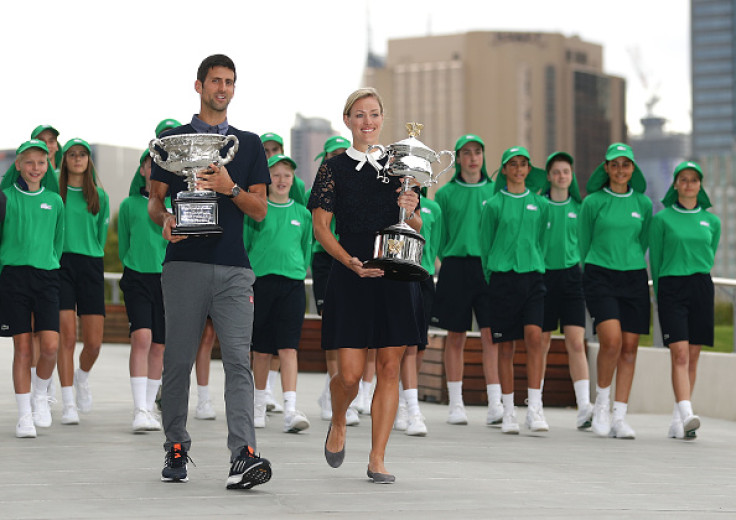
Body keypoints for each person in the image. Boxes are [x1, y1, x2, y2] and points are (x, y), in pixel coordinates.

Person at [148, 53, 272, 489]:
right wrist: (164, 219)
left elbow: (259, 211)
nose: (222, 88)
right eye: (215, 81)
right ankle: (176, 446)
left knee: (239, 361)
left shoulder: (250, 144)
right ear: (198, 85)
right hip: (184, 265)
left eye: (230, 82)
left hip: (235, 268)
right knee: (178, 360)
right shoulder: (171, 139)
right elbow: (155, 201)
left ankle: (244, 453)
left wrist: (229, 188)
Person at [308, 87, 425, 483]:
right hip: (350, 272)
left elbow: (416, 226)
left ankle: (377, 458)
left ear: (381, 118)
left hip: (394, 276)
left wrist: (411, 212)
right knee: (351, 376)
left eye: (374, 114)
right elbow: (321, 228)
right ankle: (339, 418)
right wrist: (348, 263)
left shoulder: (401, 164)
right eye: (360, 115)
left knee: (390, 368)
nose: (368, 122)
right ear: (348, 121)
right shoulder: (333, 167)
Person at [579, 143, 652, 439]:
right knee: (611, 341)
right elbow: (584, 243)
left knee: (631, 348)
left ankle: (620, 417)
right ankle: (601, 407)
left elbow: (643, 241)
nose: (621, 170)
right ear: (606, 169)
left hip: (634, 277)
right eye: (615, 164)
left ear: (633, 169)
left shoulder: (644, 204)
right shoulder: (593, 202)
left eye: (626, 164)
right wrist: (595, 271)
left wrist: (628, 262)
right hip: (600, 275)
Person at [431, 134, 500, 426]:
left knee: (491, 337)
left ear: (483, 156)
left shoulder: (497, 191)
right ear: (458, 159)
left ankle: (496, 402)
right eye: (467, 153)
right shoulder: (445, 194)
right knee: (455, 337)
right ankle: (456, 403)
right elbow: (439, 236)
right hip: (455, 267)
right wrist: (442, 262)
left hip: (488, 269)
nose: (473, 157)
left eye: (478, 152)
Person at [480, 146, 549, 434]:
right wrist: (496, 272)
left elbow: (541, 241)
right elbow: (485, 247)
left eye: (524, 164)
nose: (519, 169)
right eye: (513, 164)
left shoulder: (540, 204)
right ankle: (508, 411)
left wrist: (534, 263)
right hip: (503, 278)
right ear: (505, 170)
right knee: (505, 346)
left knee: (534, 337)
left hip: (532, 276)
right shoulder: (493, 205)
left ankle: (534, 408)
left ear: (529, 169)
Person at [649, 161, 720, 440]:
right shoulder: (662, 219)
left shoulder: (712, 221)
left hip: (701, 286)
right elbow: (656, 259)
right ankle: (688, 412)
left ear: (700, 185)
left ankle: (679, 419)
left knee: (692, 356)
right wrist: (659, 293)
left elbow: (709, 252)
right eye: (683, 179)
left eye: (694, 180)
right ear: (675, 184)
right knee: (678, 353)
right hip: (671, 287)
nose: (689, 184)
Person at [0, 140, 64, 437]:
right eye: (29, 162)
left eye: (41, 163)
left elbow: (58, 243)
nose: (36, 168)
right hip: (14, 278)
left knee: (50, 345)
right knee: (23, 348)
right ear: (18, 165)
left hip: (47, 277)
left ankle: (41, 395)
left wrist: (48, 263)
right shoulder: (5, 198)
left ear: (47, 165)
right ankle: (25, 416)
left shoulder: (55, 200)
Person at [246, 153, 312, 433]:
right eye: (276, 174)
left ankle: (290, 409)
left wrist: (296, 270)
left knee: (288, 348)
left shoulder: (303, 214)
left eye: (287, 174)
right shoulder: (257, 210)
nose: (282, 180)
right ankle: (258, 406)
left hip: (293, 285)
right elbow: (246, 246)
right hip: (261, 284)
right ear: (266, 179)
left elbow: (306, 249)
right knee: (261, 350)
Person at [56, 138, 110, 426]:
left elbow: (100, 240)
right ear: (64, 160)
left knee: (93, 344)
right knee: (66, 337)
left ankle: (81, 378)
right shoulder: (56, 192)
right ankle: (67, 403)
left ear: (89, 160)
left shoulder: (100, 196)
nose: (77, 159)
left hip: (90, 265)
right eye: (72, 154)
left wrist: (92, 256)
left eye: (82, 155)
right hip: (61, 264)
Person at [539, 152, 593, 430]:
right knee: (542, 343)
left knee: (575, 342)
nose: (562, 176)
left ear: (572, 177)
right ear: (549, 176)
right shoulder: (540, 206)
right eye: (557, 172)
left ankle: (584, 406)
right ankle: (536, 405)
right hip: (545, 278)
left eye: (566, 172)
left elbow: (584, 245)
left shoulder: (580, 208)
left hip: (572, 278)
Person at [118, 150, 168, 432]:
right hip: (137, 278)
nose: (155, 170)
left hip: (166, 280)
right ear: (142, 170)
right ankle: (139, 409)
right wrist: (134, 266)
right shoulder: (128, 205)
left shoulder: (175, 204)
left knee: (159, 345)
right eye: (151, 166)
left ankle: (150, 408)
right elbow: (125, 245)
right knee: (142, 338)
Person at [311, 135, 352, 422]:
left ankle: (344, 390)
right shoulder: (318, 187)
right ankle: (331, 388)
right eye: (332, 155)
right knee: (332, 325)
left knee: (353, 323)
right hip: (326, 258)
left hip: (351, 255)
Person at [394, 188, 441, 437]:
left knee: (416, 346)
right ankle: (403, 406)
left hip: (420, 276)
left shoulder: (429, 206)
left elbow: (430, 238)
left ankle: (408, 405)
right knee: (396, 346)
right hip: (392, 274)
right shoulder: (384, 194)